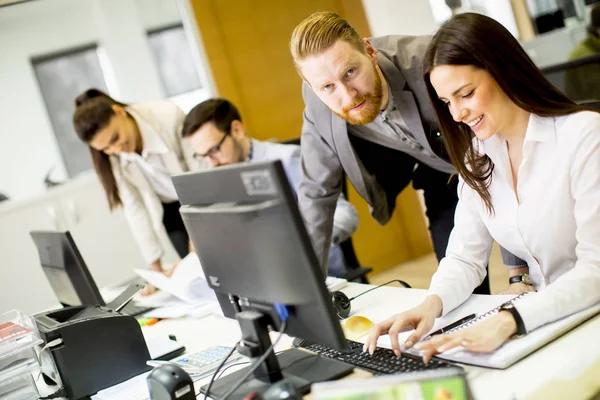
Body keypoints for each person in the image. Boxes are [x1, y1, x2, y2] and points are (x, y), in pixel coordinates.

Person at [364, 13, 600, 362]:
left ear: (504, 70)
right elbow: (464, 256)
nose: (457, 114)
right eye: (446, 102)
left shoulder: (584, 136)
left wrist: (511, 319)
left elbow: (596, 268)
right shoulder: (479, 155)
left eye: (466, 94)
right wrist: (431, 304)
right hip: (547, 322)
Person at [289, 11, 526, 294]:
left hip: (497, 161)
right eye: (328, 87)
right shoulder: (319, 105)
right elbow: (316, 195)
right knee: (460, 286)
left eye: (350, 72)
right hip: (441, 175)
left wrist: (517, 273)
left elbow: (503, 142)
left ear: (369, 51)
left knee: (540, 265)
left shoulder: (430, 62)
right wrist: (305, 292)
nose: (348, 96)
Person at [180, 98, 359, 276]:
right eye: (202, 156)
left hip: (316, 274)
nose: (211, 164)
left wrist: (302, 244)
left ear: (237, 130)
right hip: (260, 278)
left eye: (214, 150)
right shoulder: (220, 173)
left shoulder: (287, 160)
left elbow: (346, 214)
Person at [73, 89, 198, 294]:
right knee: (192, 277)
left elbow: (198, 174)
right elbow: (135, 210)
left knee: (208, 261)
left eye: (115, 138)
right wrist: (156, 273)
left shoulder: (168, 117)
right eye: (105, 148)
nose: (116, 150)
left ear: (120, 112)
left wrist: (198, 238)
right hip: (170, 208)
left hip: (197, 193)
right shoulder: (113, 155)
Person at [565, 3, 600, 101]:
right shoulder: (586, 56)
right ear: (597, 29)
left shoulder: (595, 47)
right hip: (589, 110)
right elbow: (597, 93)